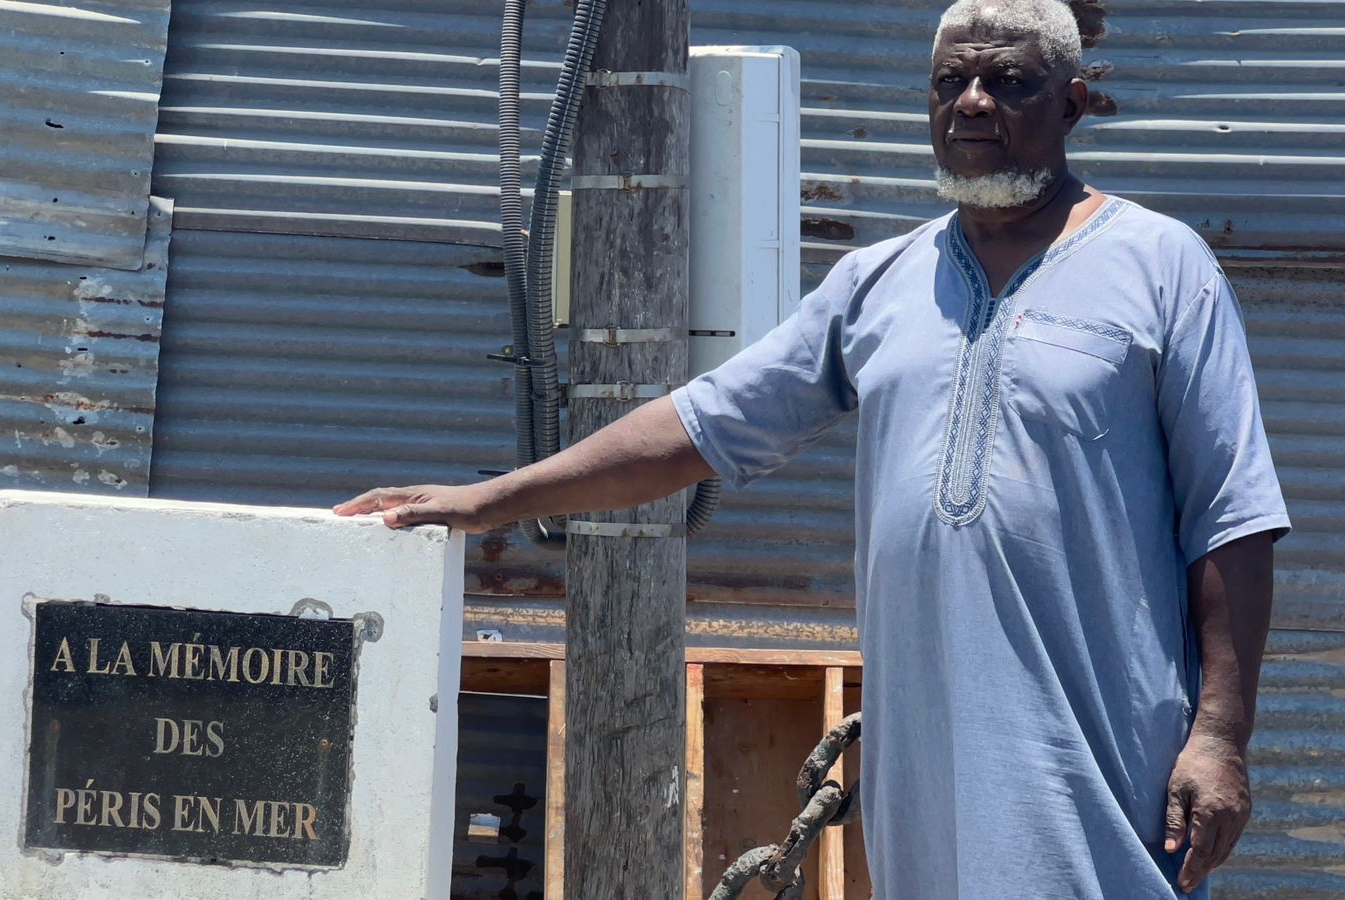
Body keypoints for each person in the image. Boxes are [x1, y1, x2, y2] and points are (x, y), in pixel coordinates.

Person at [336, 1, 1290, 896]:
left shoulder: (1163, 267)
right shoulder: (876, 283)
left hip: (1100, 758)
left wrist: (1220, 735)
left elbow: (1233, 518)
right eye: (950, 82)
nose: (972, 103)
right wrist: (489, 499)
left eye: (1010, 83)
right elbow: (696, 425)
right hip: (929, 776)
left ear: (1074, 103)